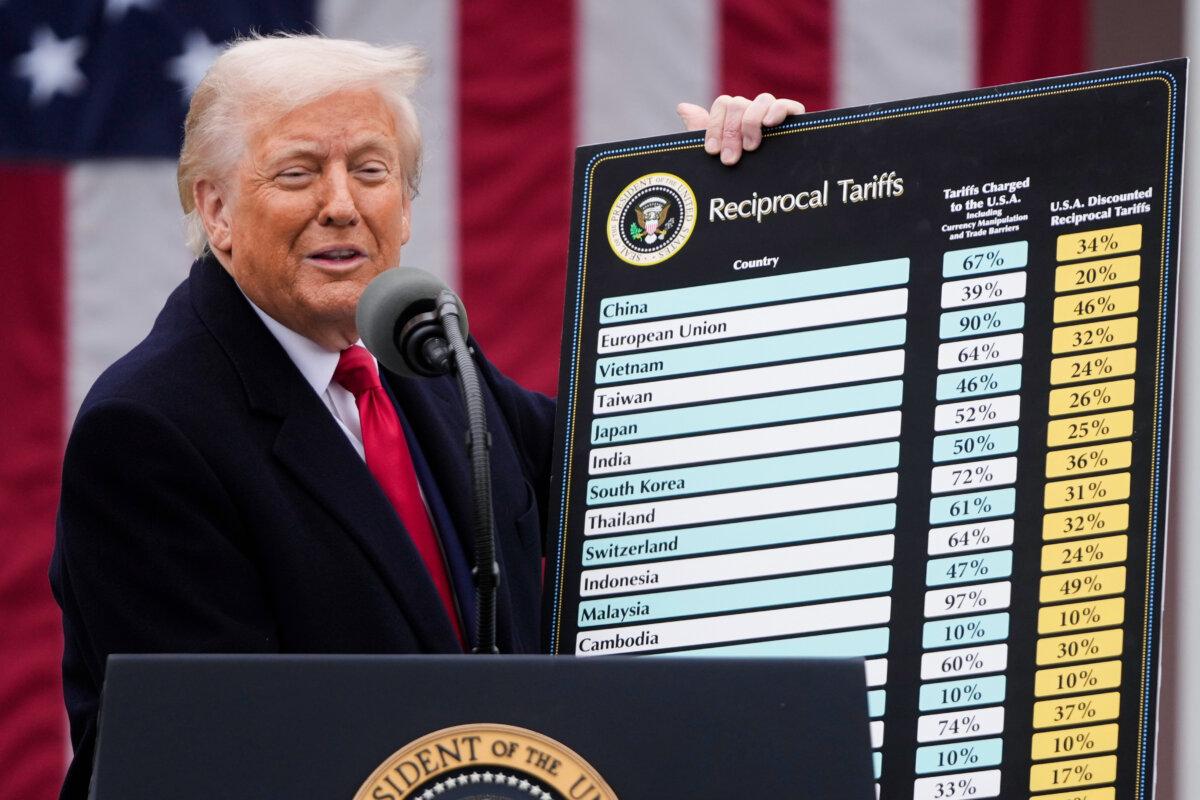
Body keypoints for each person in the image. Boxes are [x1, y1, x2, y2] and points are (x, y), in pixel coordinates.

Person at [49, 34, 802, 799]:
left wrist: (739, 218)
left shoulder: (426, 356)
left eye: (370, 171)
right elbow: (219, 756)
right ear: (216, 210)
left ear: (404, 207)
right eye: (298, 172)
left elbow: (636, 469)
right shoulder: (149, 429)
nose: (341, 205)